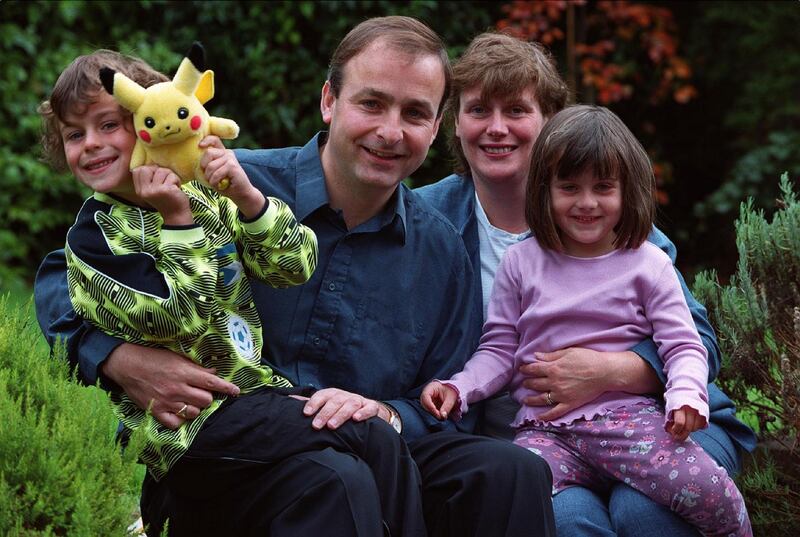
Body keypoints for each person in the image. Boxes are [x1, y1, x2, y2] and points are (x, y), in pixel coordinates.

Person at [35, 18, 556, 537]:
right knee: (339, 476)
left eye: (414, 113)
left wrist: (388, 414)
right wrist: (117, 356)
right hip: (231, 454)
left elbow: (450, 402)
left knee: (510, 470)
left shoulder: (440, 248)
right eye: (371, 103)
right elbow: (67, 272)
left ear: (436, 125)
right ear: (330, 100)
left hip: (374, 450)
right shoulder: (233, 183)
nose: (390, 131)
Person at [416, 32, 756, 536]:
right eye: (478, 110)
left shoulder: (620, 232)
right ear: (454, 122)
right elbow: (492, 347)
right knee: (568, 520)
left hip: (651, 423)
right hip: (534, 439)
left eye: (516, 110)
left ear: (551, 121)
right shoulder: (425, 219)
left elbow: (696, 342)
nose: (496, 128)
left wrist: (610, 370)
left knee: (641, 512)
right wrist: (457, 389)